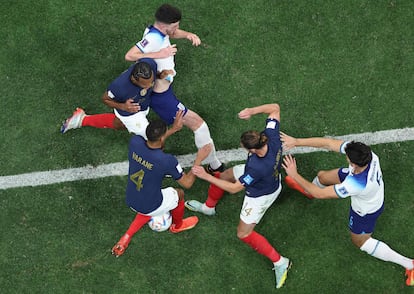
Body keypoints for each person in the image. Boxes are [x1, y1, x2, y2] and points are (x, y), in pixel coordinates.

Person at [280, 133, 414, 287]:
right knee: (322, 177)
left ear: (354, 164)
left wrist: (294, 175)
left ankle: (409, 264)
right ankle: (307, 190)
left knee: (360, 242)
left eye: (348, 159)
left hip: (366, 211)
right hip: (364, 186)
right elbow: (329, 144)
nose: (346, 157)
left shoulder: (356, 184)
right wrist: (296, 141)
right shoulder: (366, 154)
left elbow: (321, 194)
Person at [189, 103, 292, 289]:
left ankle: (280, 262)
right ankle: (208, 207)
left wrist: (205, 176)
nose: (241, 147)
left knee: (243, 233)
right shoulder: (272, 136)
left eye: (243, 146)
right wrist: (251, 111)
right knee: (225, 174)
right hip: (268, 178)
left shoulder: (256, 167)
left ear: (253, 150)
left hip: (261, 194)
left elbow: (235, 189)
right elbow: (275, 108)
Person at [124, 3, 224, 173]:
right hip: (162, 99)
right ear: (164, 25)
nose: (177, 29)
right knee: (199, 125)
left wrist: (188, 35)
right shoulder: (154, 40)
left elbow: (173, 33)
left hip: (162, 90)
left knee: (125, 122)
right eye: (175, 26)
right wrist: (160, 55)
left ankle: (84, 119)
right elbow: (130, 55)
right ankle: (215, 166)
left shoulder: (159, 32)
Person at [112, 111, 212, 257]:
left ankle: (126, 237)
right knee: (179, 193)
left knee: (147, 204)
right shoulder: (167, 161)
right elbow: (188, 183)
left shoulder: (135, 142)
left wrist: (173, 130)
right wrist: (199, 158)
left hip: (131, 198)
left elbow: (154, 143)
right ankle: (177, 226)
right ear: (161, 138)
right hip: (150, 205)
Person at [60, 58, 173, 138]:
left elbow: (154, 75)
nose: (150, 86)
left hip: (143, 104)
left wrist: (160, 75)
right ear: (134, 79)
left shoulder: (149, 64)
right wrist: (123, 106)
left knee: (120, 124)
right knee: (152, 138)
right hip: (129, 113)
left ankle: (82, 119)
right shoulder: (119, 86)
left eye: (151, 82)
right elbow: (105, 99)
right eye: (145, 85)